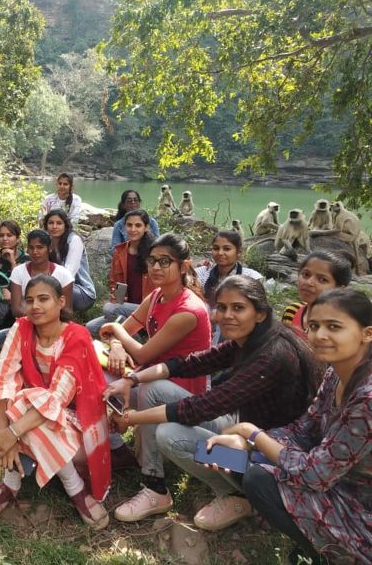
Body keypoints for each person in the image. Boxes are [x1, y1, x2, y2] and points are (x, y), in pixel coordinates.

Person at [104, 277, 318, 526]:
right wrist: (132, 379)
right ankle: (155, 486)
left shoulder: (273, 356)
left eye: (238, 308)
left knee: (170, 435)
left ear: (260, 314)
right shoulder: (246, 341)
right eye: (222, 307)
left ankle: (240, 496)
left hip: (265, 459)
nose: (227, 315)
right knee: (152, 388)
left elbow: (201, 408)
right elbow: (190, 363)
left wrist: (129, 419)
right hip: (241, 430)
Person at [207, 288, 372, 564]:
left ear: (367, 333)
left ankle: (331, 555)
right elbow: (304, 428)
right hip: (330, 478)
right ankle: (267, 513)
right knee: (225, 455)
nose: (319, 335)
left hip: (358, 507)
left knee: (258, 478)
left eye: (334, 327)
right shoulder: (335, 372)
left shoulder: (367, 398)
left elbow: (318, 473)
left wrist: (252, 434)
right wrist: (247, 443)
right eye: (314, 326)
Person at [0, 275, 111, 528]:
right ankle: (13, 485)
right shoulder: (22, 327)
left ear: (61, 302)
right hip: (33, 414)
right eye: (29, 300)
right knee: (20, 399)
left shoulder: (77, 336)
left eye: (43, 299)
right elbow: (3, 377)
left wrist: (13, 431)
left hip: (78, 427)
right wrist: (3, 433)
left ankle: (73, 487)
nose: (35, 306)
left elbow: (57, 398)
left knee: (32, 399)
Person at [97, 233, 211, 482]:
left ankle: (153, 476)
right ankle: (115, 447)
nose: (156, 267)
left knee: (149, 388)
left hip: (180, 387)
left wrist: (116, 331)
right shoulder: (157, 295)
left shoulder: (188, 310)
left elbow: (141, 352)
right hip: (152, 373)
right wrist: (116, 344)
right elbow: (126, 329)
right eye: (152, 260)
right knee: (96, 372)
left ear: (184, 266)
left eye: (165, 261)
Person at [86, 209, 155, 336]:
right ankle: (136, 333)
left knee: (109, 309)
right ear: (124, 227)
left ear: (146, 227)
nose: (133, 229)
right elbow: (114, 282)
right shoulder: (120, 251)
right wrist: (116, 295)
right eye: (129, 225)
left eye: (138, 225)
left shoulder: (154, 252)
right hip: (127, 308)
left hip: (149, 308)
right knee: (90, 328)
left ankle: (136, 343)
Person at [194, 230, 264, 344]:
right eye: (216, 248)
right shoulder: (201, 274)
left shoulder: (251, 278)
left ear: (239, 252)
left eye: (227, 249)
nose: (220, 253)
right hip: (202, 326)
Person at [282, 251, 352, 340]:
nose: (309, 282)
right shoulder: (292, 312)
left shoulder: (344, 326)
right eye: (306, 274)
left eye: (322, 280)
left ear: (339, 289)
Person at [8, 229, 74, 321]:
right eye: (31, 247)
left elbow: (67, 310)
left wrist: (45, 319)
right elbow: (15, 309)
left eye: (40, 247)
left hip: (54, 326)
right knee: (1, 335)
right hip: (27, 323)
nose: (35, 252)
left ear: (49, 248)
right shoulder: (18, 272)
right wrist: (37, 317)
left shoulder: (64, 275)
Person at [43, 209, 96, 312]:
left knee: (42, 292)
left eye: (59, 223)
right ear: (46, 225)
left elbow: (69, 274)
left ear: (65, 225)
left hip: (82, 292)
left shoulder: (73, 240)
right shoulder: (47, 241)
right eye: (51, 223)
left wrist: (43, 286)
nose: (54, 227)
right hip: (57, 288)